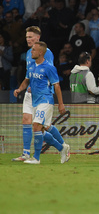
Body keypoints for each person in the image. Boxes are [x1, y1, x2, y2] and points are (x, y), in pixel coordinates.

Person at [12, 26, 68, 162]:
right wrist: (20, 89)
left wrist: (59, 102)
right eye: (26, 37)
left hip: (43, 95)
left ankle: (62, 147)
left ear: (38, 38)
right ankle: (26, 154)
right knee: (29, 122)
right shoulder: (29, 54)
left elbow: (48, 75)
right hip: (31, 94)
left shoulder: (46, 53)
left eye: (30, 37)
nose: (28, 40)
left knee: (42, 127)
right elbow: (28, 76)